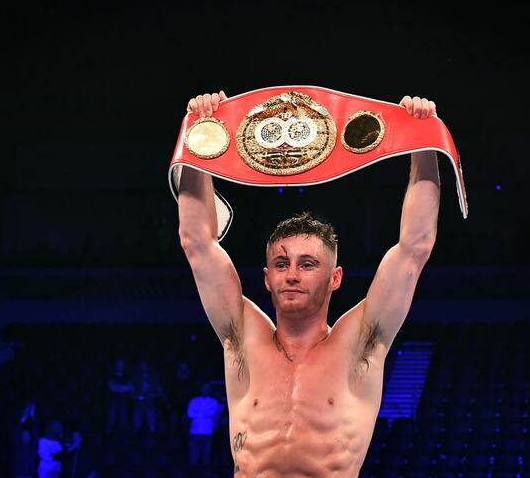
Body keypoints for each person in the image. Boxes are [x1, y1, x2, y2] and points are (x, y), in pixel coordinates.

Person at [177, 92, 441, 476]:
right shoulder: (242, 336)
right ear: (267, 277)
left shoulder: (361, 341)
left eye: (308, 264)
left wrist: (423, 141)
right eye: (281, 264)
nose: (293, 274)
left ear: (335, 278)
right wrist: (199, 137)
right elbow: (196, 244)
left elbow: (414, 248)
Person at [186, 383, 223, 467]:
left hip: (207, 430)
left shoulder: (213, 401)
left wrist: (198, 412)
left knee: (206, 454)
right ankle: (194, 471)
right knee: (194, 454)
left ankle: (205, 470)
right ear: (201, 389)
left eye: (207, 388)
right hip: (195, 430)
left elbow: (212, 412)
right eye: (204, 388)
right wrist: (204, 413)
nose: (205, 390)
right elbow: (190, 413)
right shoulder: (193, 400)